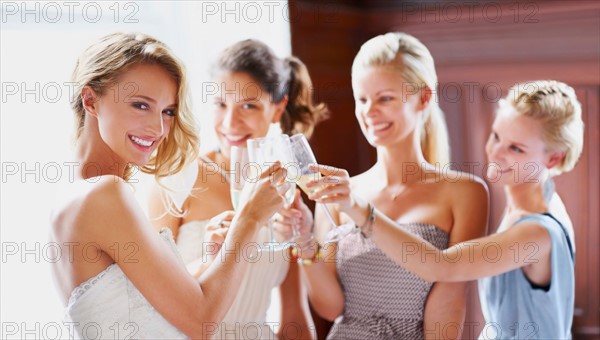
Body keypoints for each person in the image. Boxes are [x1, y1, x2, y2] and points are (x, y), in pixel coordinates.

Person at [49, 32, 289, 339]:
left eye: (168, 111)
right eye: (140, 105)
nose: (158, 128)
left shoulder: (77, 192)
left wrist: (212, 258)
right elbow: (201, 321)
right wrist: (250, 217)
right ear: (90, 99)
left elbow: (143, 309)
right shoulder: (105, 193)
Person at [309, 79, 582, 339]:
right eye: (496, 135)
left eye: (516, 148)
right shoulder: (533, 204)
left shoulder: (536, 233)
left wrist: (356, 207)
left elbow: (441, 266)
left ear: (554, 158)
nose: (496, 152)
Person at [295, 32, 489, 339]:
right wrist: (303, 240)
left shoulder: (466, 193)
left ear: (424, 98)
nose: (369, 112)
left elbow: (449, 305)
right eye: (362, 99)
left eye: (385, 98)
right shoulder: (336, 195)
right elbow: (331, 308)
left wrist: (360, 211)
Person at [149, 39, 328, 339]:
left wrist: (306, 241)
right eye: (221, 104)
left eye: (248, 105)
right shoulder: (178, 178)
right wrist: (208, 260)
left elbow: (294, 316)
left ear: (277, 108)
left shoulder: (285, 191)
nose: (231, 122)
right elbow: (147, 292)